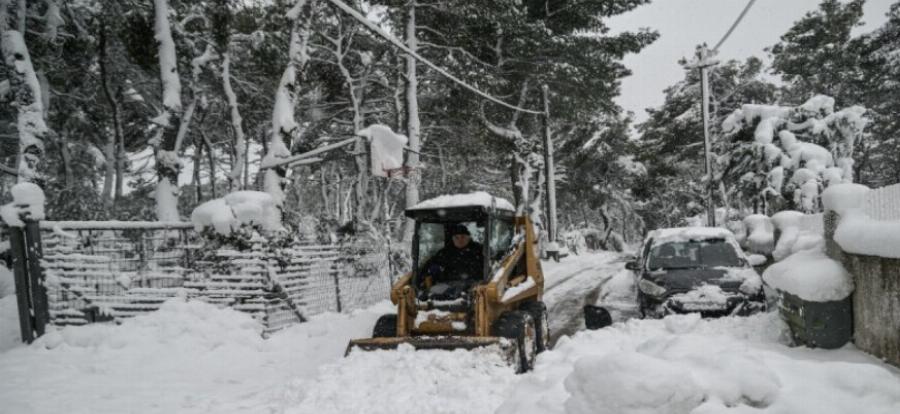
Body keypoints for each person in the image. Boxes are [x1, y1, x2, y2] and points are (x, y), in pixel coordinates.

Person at [421, 224, 484, 292]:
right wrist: (430, 270)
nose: (460, 240)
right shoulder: (446, 252)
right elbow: (430, 264)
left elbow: (488, 267)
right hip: (448, 284)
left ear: (468, 237)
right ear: (452, 239)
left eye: (463, 237)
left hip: (473, 284)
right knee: (433, 292)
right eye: (456, 237)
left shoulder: (478, 250)